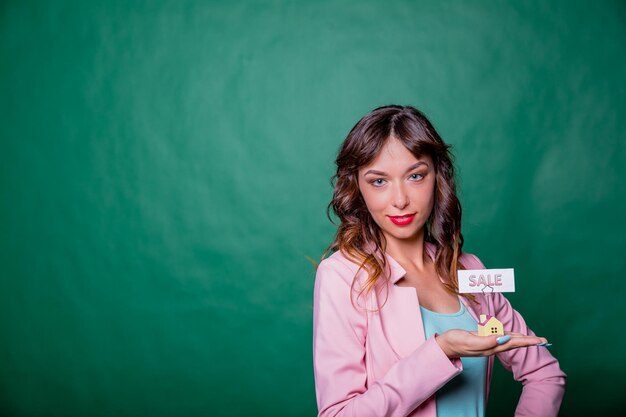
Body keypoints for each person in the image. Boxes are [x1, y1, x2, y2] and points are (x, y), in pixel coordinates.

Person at [312, 105, 566, 417]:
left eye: (415, 176)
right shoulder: (342, 275)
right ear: (358, 188)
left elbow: (546, 375)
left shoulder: (470, 271)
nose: (400, 199)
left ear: (437, 176)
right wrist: (441, 351)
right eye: (379, 181)